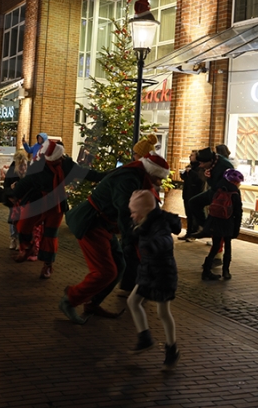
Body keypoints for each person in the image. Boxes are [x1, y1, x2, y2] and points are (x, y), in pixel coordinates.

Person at [60, 151, 170, 324]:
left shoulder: (136, 176)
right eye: (158, 178)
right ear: (151, 172)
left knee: (119, 267)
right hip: (91, 223)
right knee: (105, 271)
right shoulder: (128, 179)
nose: (160, 182)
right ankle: (70, 299)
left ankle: (92, 303)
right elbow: (125, 212)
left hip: (104, 225)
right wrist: (130, 240)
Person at [8, 140, 105, 279]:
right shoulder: (39, 165)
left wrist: (107, 175)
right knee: (24, 225)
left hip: (56, 204)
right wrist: (14, 194)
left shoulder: (67, 165)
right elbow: (26, 181)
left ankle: (47, 265)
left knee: (50, 235)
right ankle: (27, 248)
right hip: (38, 201)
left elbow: (87, 173)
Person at [126, 189, 181, 371]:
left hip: (163, 273)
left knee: (163, 312)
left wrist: (152, 246)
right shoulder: (144, 222)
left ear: (144, 212)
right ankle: (145, 338)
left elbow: (165, 240)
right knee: (133, 301)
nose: (132, 215)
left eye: (134, 212)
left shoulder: (159, 224)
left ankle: (171, 349)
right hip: (149, 271)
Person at [118, 134, 159, 295]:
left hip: (139, 218)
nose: (133, 156)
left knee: (133, 253)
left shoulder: (139, 174)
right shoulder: (146, 173)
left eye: (135, 153)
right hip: (142, 219)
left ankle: (132, 286)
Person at [197, 169, 244, 280]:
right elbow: (238, 213)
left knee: (215, 246)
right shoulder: (235, 193)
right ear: (235, 182)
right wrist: (236, 229)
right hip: (228, 223)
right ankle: (226, 271)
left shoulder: (217, 189)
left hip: (215, 222)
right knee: (227, 246)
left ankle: (206, 270)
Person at [185, 147, 235, 240]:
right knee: (193, 202)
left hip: (224, 195)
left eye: (203, 163)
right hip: (214, 190)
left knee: (214, 210)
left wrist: (209, 178)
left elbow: (224, 184)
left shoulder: (224, 165)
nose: (201, 165)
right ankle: (205, 228)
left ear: (210, 161)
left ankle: (209, 230)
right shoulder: (211, 163)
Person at [3, 150, 30, 250]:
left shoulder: (29, 172)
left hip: (25, 200)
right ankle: (13, 238)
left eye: (24, 165)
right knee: (14, 220)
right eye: (21, 165)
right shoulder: (12, 172)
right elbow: (6, 186)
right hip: (14, 200)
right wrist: (10, 189)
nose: (23, 168)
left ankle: (21, 240)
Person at [179, 149, 205, 240]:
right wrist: (183, 173)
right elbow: (185, 178)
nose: (190, 157)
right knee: (188, 214)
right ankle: (188, 232)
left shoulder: (201, 167)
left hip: (195, 193)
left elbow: (199, 179)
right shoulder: (190, 166)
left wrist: (191, 172)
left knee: (194, 214)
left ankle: (194, 233)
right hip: (187, 192)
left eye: (192, 155)